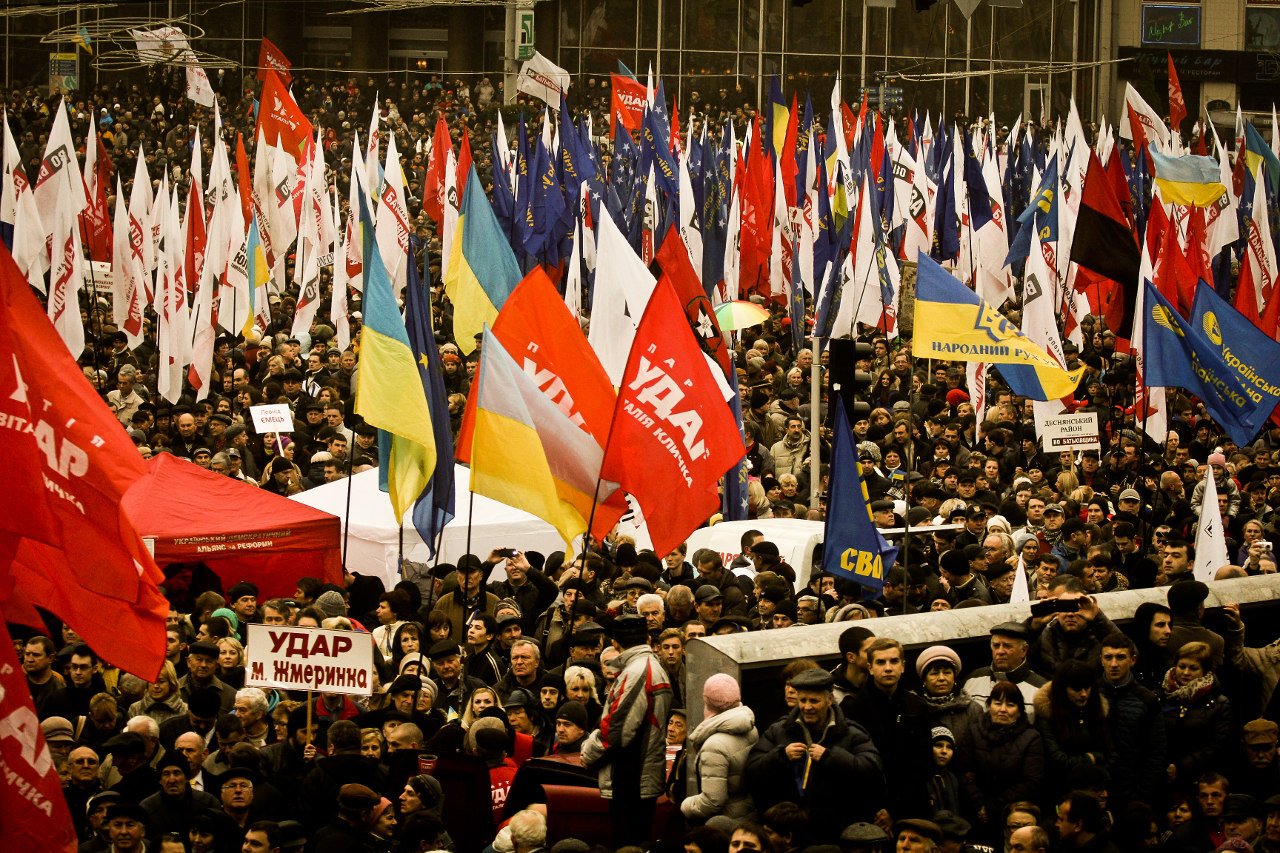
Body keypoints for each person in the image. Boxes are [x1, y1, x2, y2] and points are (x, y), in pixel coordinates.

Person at [747, 668, 885, 842]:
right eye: (802, 700)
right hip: (787, 833)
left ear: (829, 700)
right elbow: (752, 770)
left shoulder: (851, 733)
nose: (807, 707)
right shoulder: (778, 731)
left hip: (836, 832)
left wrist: (830, 757)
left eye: (814, 701)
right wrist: (781, 756)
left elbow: (872, 770)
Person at [579, 614, 673, 848]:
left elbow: (617, 732)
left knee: (628, 845)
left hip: (630, 778)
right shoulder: (645, 667)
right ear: (647, 638)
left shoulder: (638, 672)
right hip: (635, 775)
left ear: (614, 642)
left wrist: (588, 752)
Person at [957, 680, 1044, 841]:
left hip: (1013, 815)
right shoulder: (974, 731)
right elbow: (962, 771)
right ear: (989, 706)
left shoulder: (1031, 738)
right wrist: (979, 804)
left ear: (1019, 710)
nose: (1003, 709)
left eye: (1010, 705)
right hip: (975, 812)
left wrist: (992, 807)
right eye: (997, 703)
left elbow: (1031, 781)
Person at [682, 673, 759, 823]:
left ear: (707, 701)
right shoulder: (750, 728)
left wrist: (685, 805)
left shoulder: (714, 746)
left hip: (724, 822)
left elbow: (712, 802)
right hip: (747, 813)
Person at [1161, 641, 1235, 784]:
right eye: (1182, 666)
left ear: (1205, 671)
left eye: (1193, 668)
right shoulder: (1160, 696)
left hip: (1202, 778)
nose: (1186, 673)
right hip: (1163, 773)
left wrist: (1180, 767)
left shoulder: (1219, 703)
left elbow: (1217, 745)